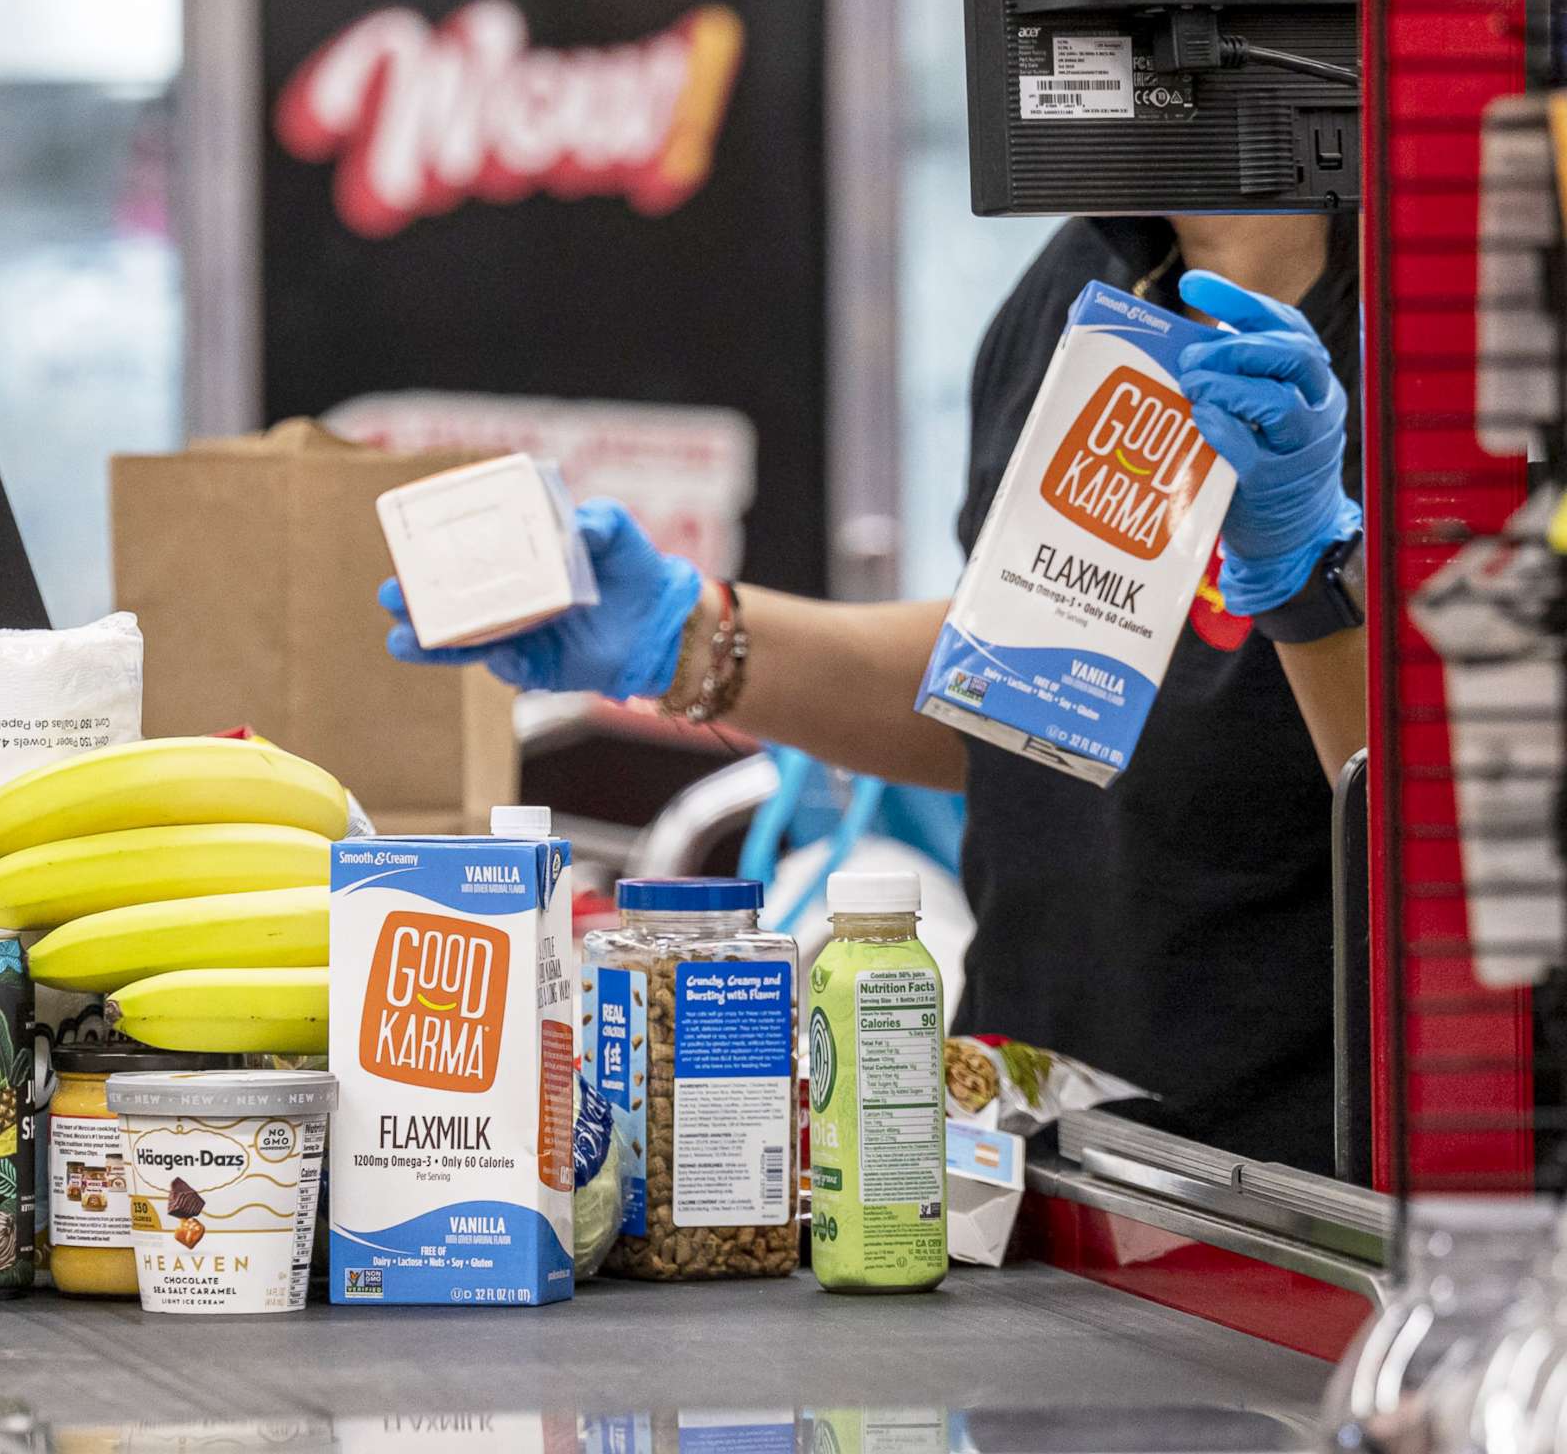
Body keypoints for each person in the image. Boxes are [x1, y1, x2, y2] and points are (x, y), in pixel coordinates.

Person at [385, 210, 1364, 1169]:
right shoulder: (1084, 284)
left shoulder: (1444, 322)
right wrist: (687, 640)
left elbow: (1449, 830)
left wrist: (1315, 591)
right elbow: (1026, 690)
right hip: (1037, 1132)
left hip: (1298, 1181)